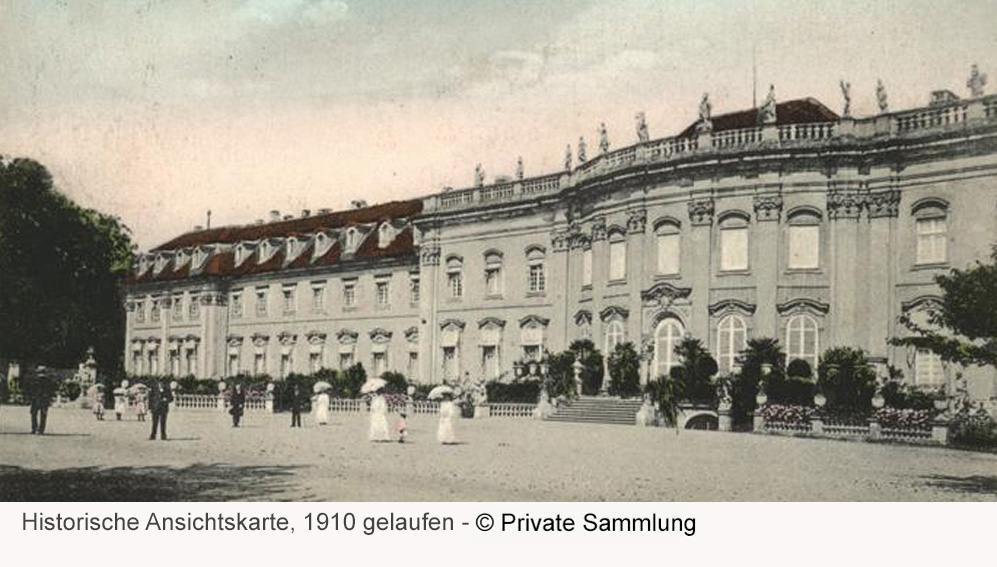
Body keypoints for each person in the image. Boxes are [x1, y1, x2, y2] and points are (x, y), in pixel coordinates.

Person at [28, 367, 56, 435]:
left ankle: (34, 428)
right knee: (43, 415)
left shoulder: (34, 379)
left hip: (35, 398)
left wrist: (31, 397)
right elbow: (52, 390)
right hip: (44, 399)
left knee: (34, 414)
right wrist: (50, 398)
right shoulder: (49, 380)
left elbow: (31, 389)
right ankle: (41, 429)